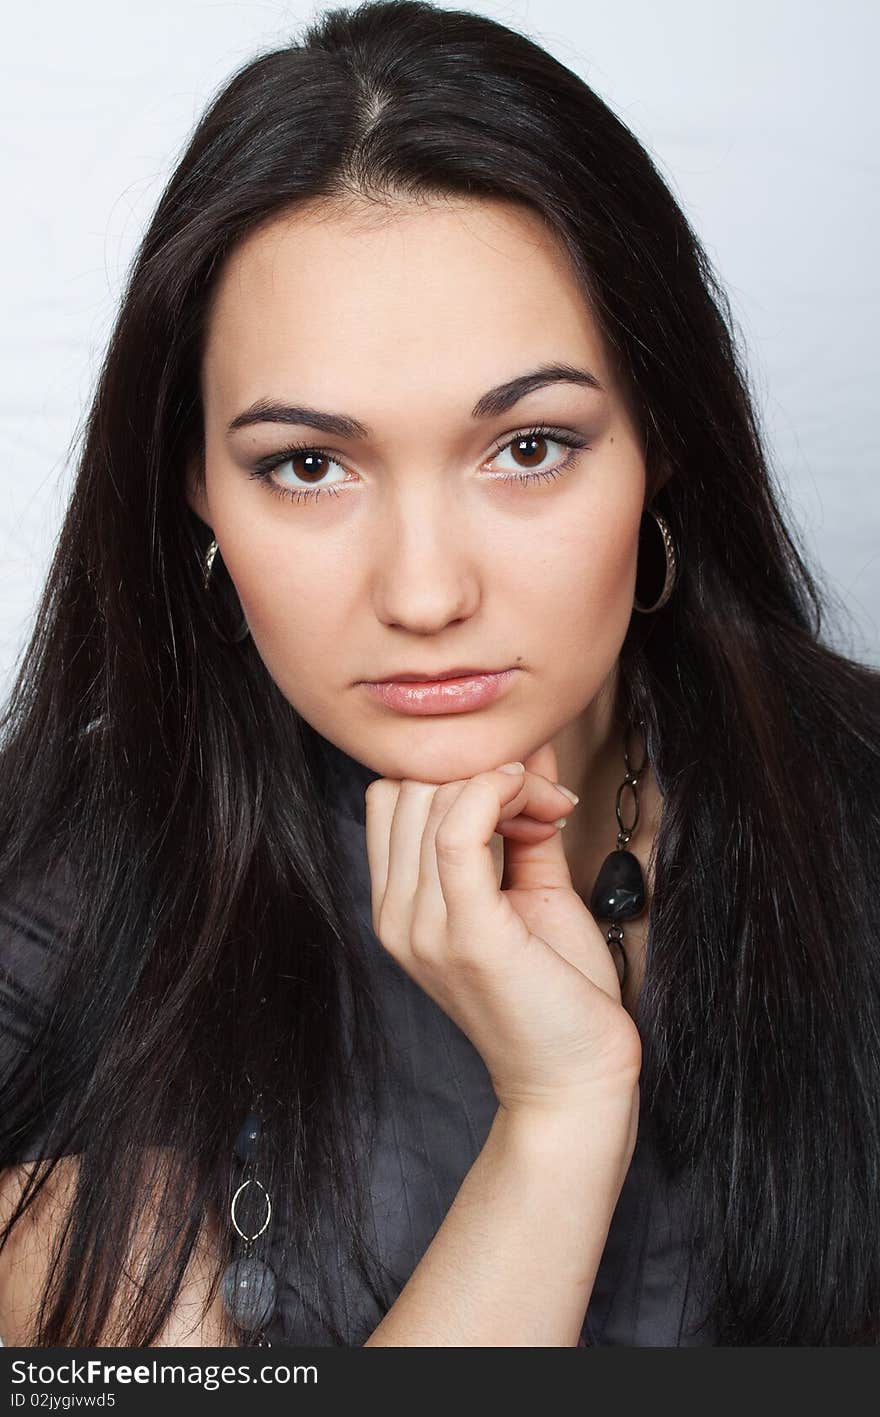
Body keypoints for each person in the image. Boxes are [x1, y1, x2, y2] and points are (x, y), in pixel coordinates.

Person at [1, 0, 878, 1348]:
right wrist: (558, 1118)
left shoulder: (858, 816)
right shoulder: (62, 918)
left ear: (664, 440)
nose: (425, 594)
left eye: (528, 447)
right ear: (196, 495)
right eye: (308, 464)